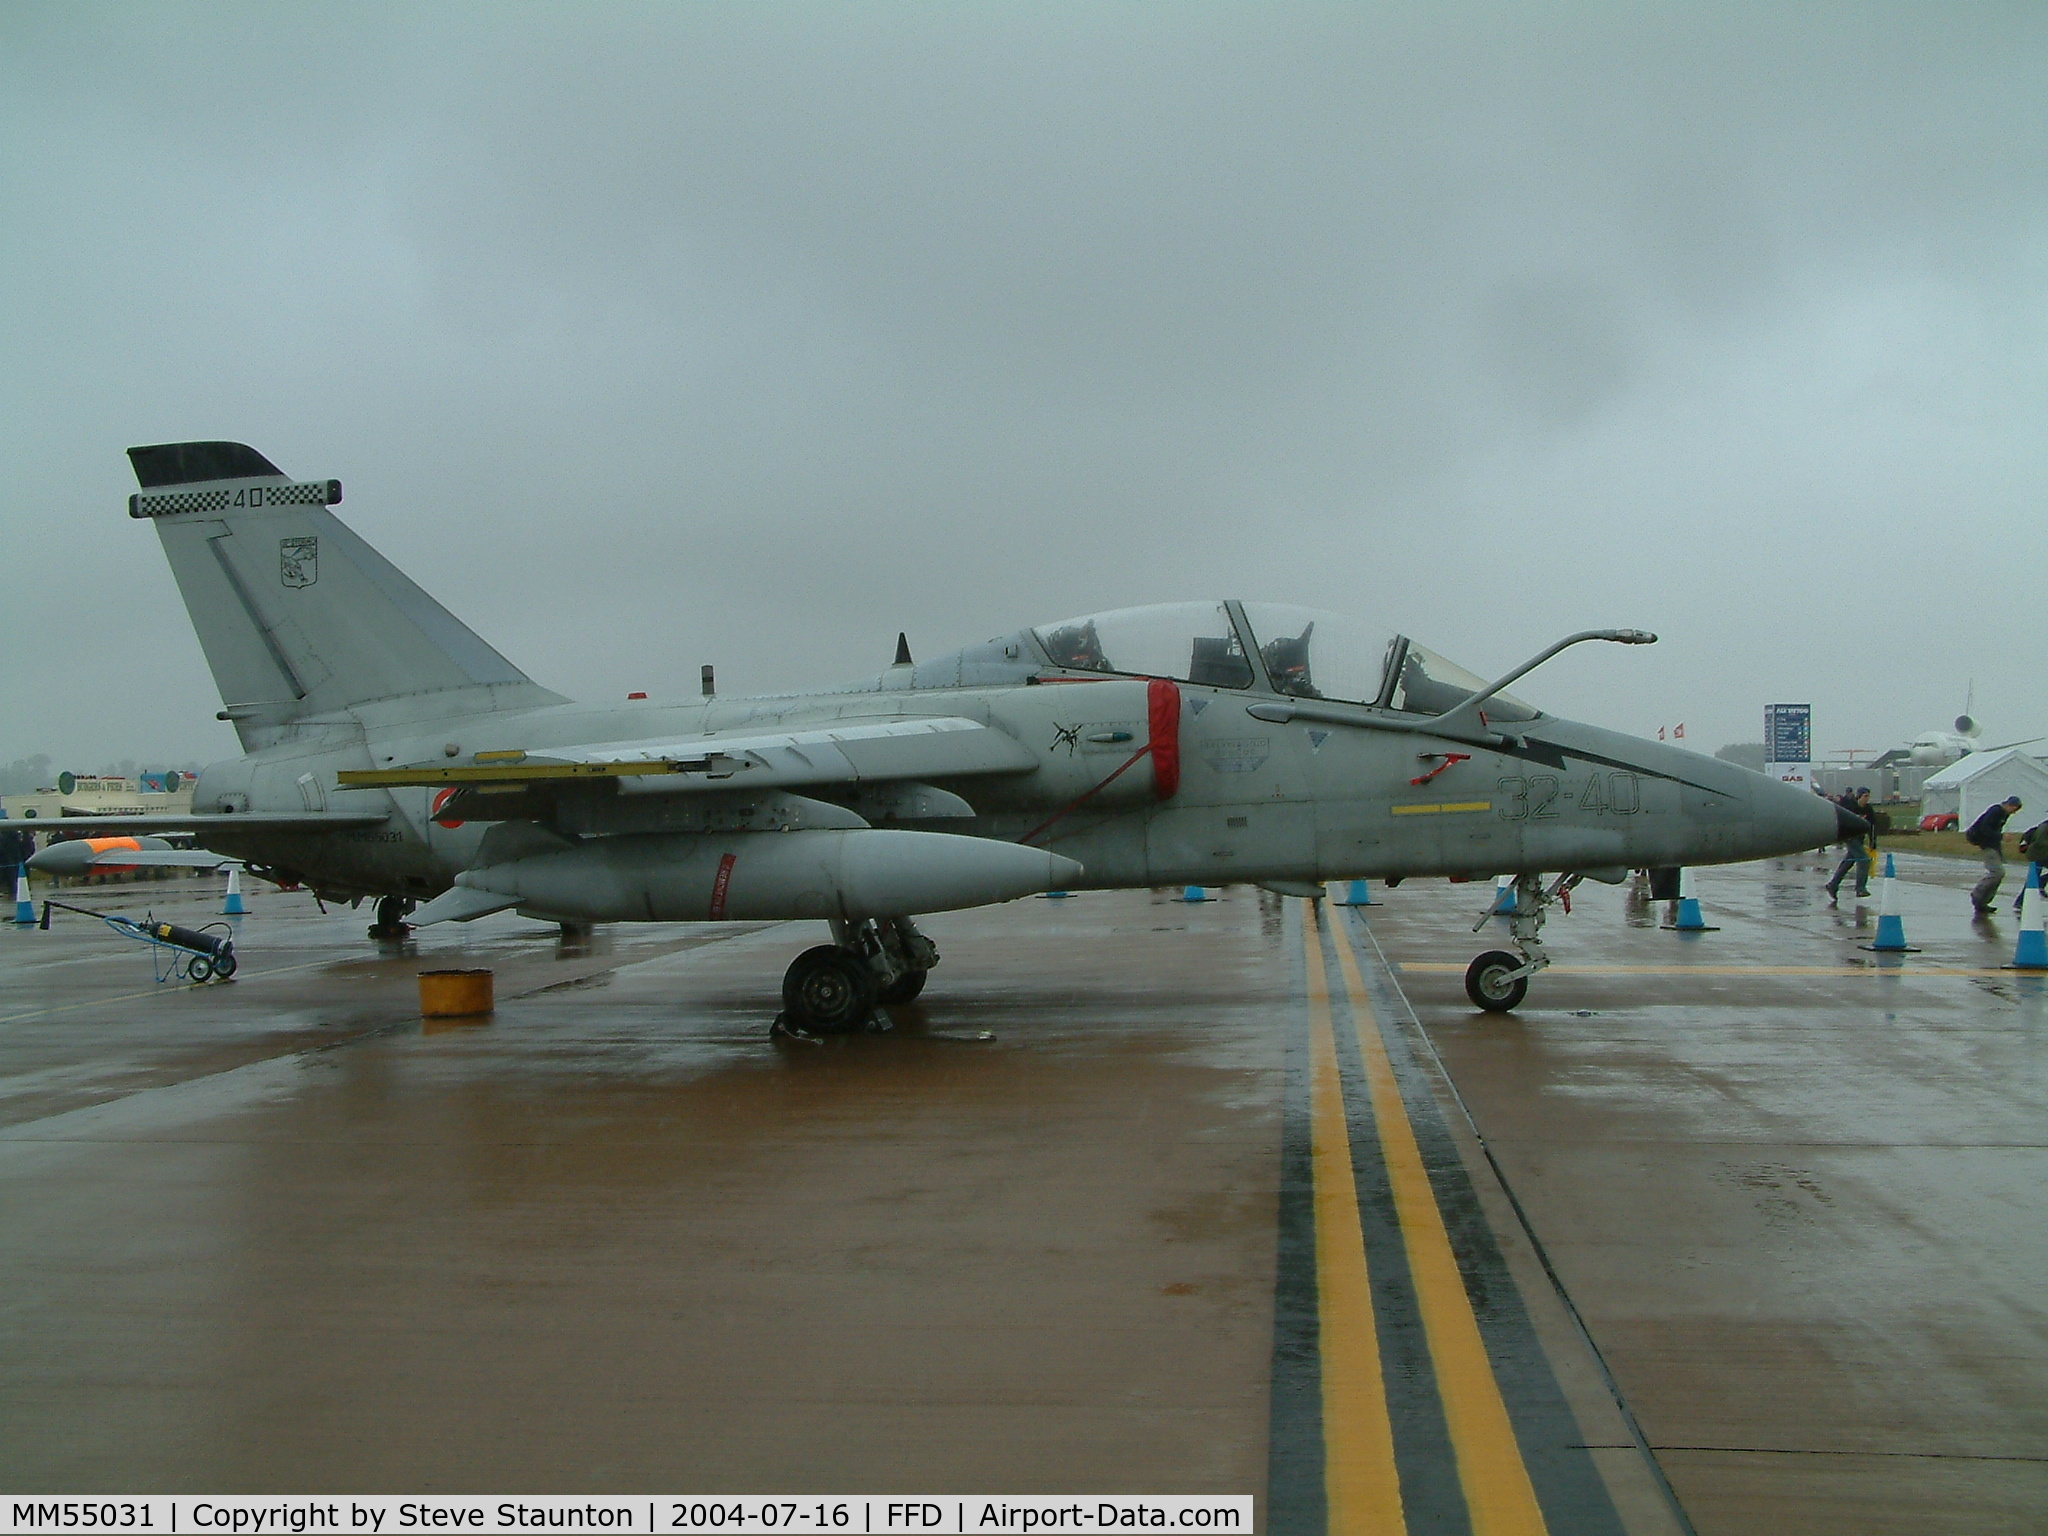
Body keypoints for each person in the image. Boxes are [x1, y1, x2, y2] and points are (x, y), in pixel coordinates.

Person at [1965, 795, 2023, 915]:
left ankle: (1983, 901)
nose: (2014, 812)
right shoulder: (1996, 811)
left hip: (1992, 845)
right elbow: (1985, 828)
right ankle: (1977, 894)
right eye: (2014, 809)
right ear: (2009, 805)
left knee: (1998, 874)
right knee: (1997, 872)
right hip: (1986, 844)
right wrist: (2001, 836)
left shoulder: (2003, 814)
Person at [1825, 787, 1876, 900]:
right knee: (1864, 859)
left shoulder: (1868, 809)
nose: (1866, 799)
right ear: (1859, 796)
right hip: (1850, 838)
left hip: (1859, 839)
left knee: (1848, 862)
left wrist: (1873, 842)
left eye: (1868, 796)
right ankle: (1860, 888)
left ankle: (1833, 884)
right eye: (1864, 796)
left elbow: (1871, 827)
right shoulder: (1851, 807)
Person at [2013, 818, 2048, 912]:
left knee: (2032, 879)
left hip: (2036, 854)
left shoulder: (2042, 825)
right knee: (2034, 878)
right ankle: (2041, 882)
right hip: (2040, 854)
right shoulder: (2045, 827)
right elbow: (2041, 843)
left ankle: (2020, 902)